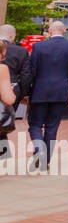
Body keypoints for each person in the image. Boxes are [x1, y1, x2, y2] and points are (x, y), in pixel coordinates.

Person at [28, 20, 68, 171]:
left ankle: (39, 151)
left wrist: (27, 92)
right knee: (52, 127)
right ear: (64, 31)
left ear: (49, 31)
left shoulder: (38, 46)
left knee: (35, 124)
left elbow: (32, 71)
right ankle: (45, 160)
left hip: (40, 91)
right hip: (61, 91)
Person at [0, 25, 32, 159]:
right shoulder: (3, 68)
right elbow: (9, 98)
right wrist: (20, 94)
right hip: (5, 94)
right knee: (2, 126)